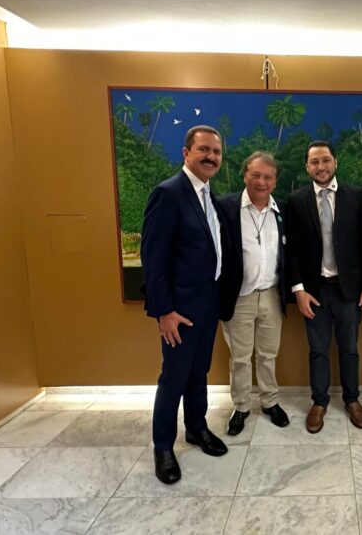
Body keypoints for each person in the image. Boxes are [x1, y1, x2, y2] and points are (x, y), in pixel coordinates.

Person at [140, 125, 229, 485]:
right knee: (174, 377)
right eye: (204, 150)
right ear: (186, 153)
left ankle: (196, 427)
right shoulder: (168, 194)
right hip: (179, 310)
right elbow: (153, 258)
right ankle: (163, 446)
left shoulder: (208, 195)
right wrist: (163, 311)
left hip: (207, 305)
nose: (211, 157)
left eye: (216, 152)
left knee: (198, 372)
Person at [285, 140, 362, 433]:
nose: (321, 166)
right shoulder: (296, 200)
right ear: (307, 167)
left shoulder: (355, 196)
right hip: (314, 291)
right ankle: (319, 402)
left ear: (335, 162)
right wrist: (298, 290)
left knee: (349, 348)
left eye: (325, 160)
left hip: (349, 290)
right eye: (314, 162)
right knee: (318, 350)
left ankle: (352, 399)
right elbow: (292, 250)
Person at [217, 152, 290, 435]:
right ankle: (241, 406)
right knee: (239, 357)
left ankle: (270, 401)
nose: (261, 182)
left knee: (268, 354)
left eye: (268, 177)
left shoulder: (282, 210)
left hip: (272, 295)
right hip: (239, 297)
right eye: (256, 175)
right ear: (245, 174)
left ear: (275, 181)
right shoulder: (225, 207)